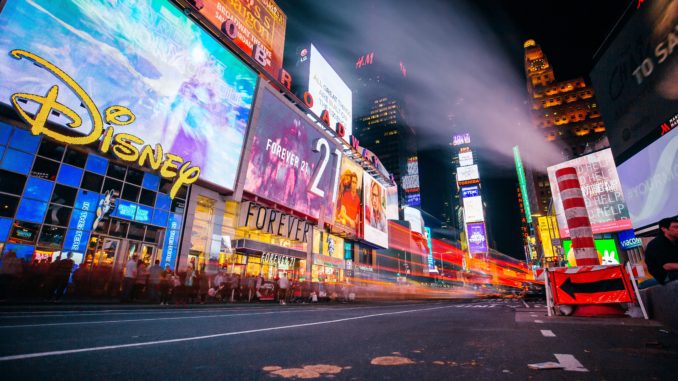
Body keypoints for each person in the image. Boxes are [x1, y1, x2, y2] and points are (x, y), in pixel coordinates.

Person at [645, 217, 678, 285]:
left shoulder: (675, 240)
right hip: (665, 275)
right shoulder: (656, 244)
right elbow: (666, 266)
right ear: (664, 229)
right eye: (675, 227)